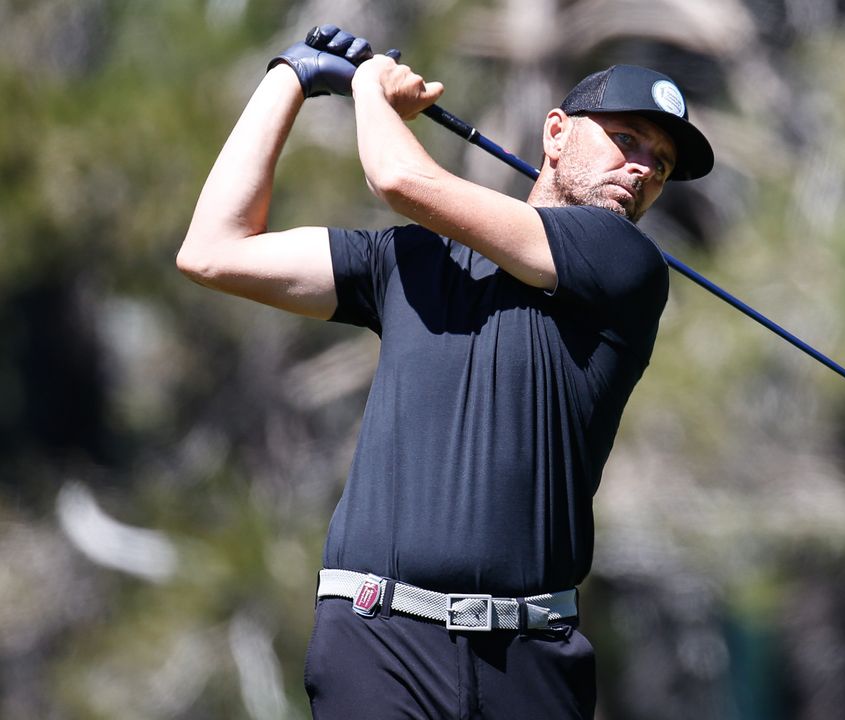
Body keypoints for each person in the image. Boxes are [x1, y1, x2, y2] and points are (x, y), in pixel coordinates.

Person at [177, 25, 714, 719]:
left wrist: (368, 88)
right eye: (628, 141)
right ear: (556, 134)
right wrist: (291, 77)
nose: (644, 169)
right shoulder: (407, 262)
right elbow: (214, 249)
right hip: (378, 646)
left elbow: (401, 178)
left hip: (529, 659)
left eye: (662, 164)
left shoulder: (627, 266)